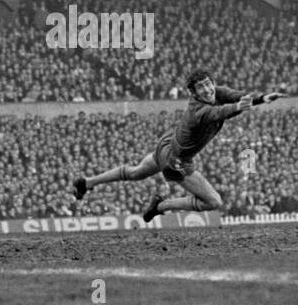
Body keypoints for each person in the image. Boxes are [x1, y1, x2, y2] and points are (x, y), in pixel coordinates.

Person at [72, 69, 285, 221]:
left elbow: (239, 96)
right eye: (201, 88)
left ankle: (87, 183)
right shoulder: (198, 110)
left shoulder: (218, 92)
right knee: (213, 202)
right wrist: (238, 106)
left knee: (136, 172)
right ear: (193, 93)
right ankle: (161, 207)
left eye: (208, 84)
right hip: (177, 160)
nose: (207, 89)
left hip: (167, 143)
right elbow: (219, 112)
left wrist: (263, 97)